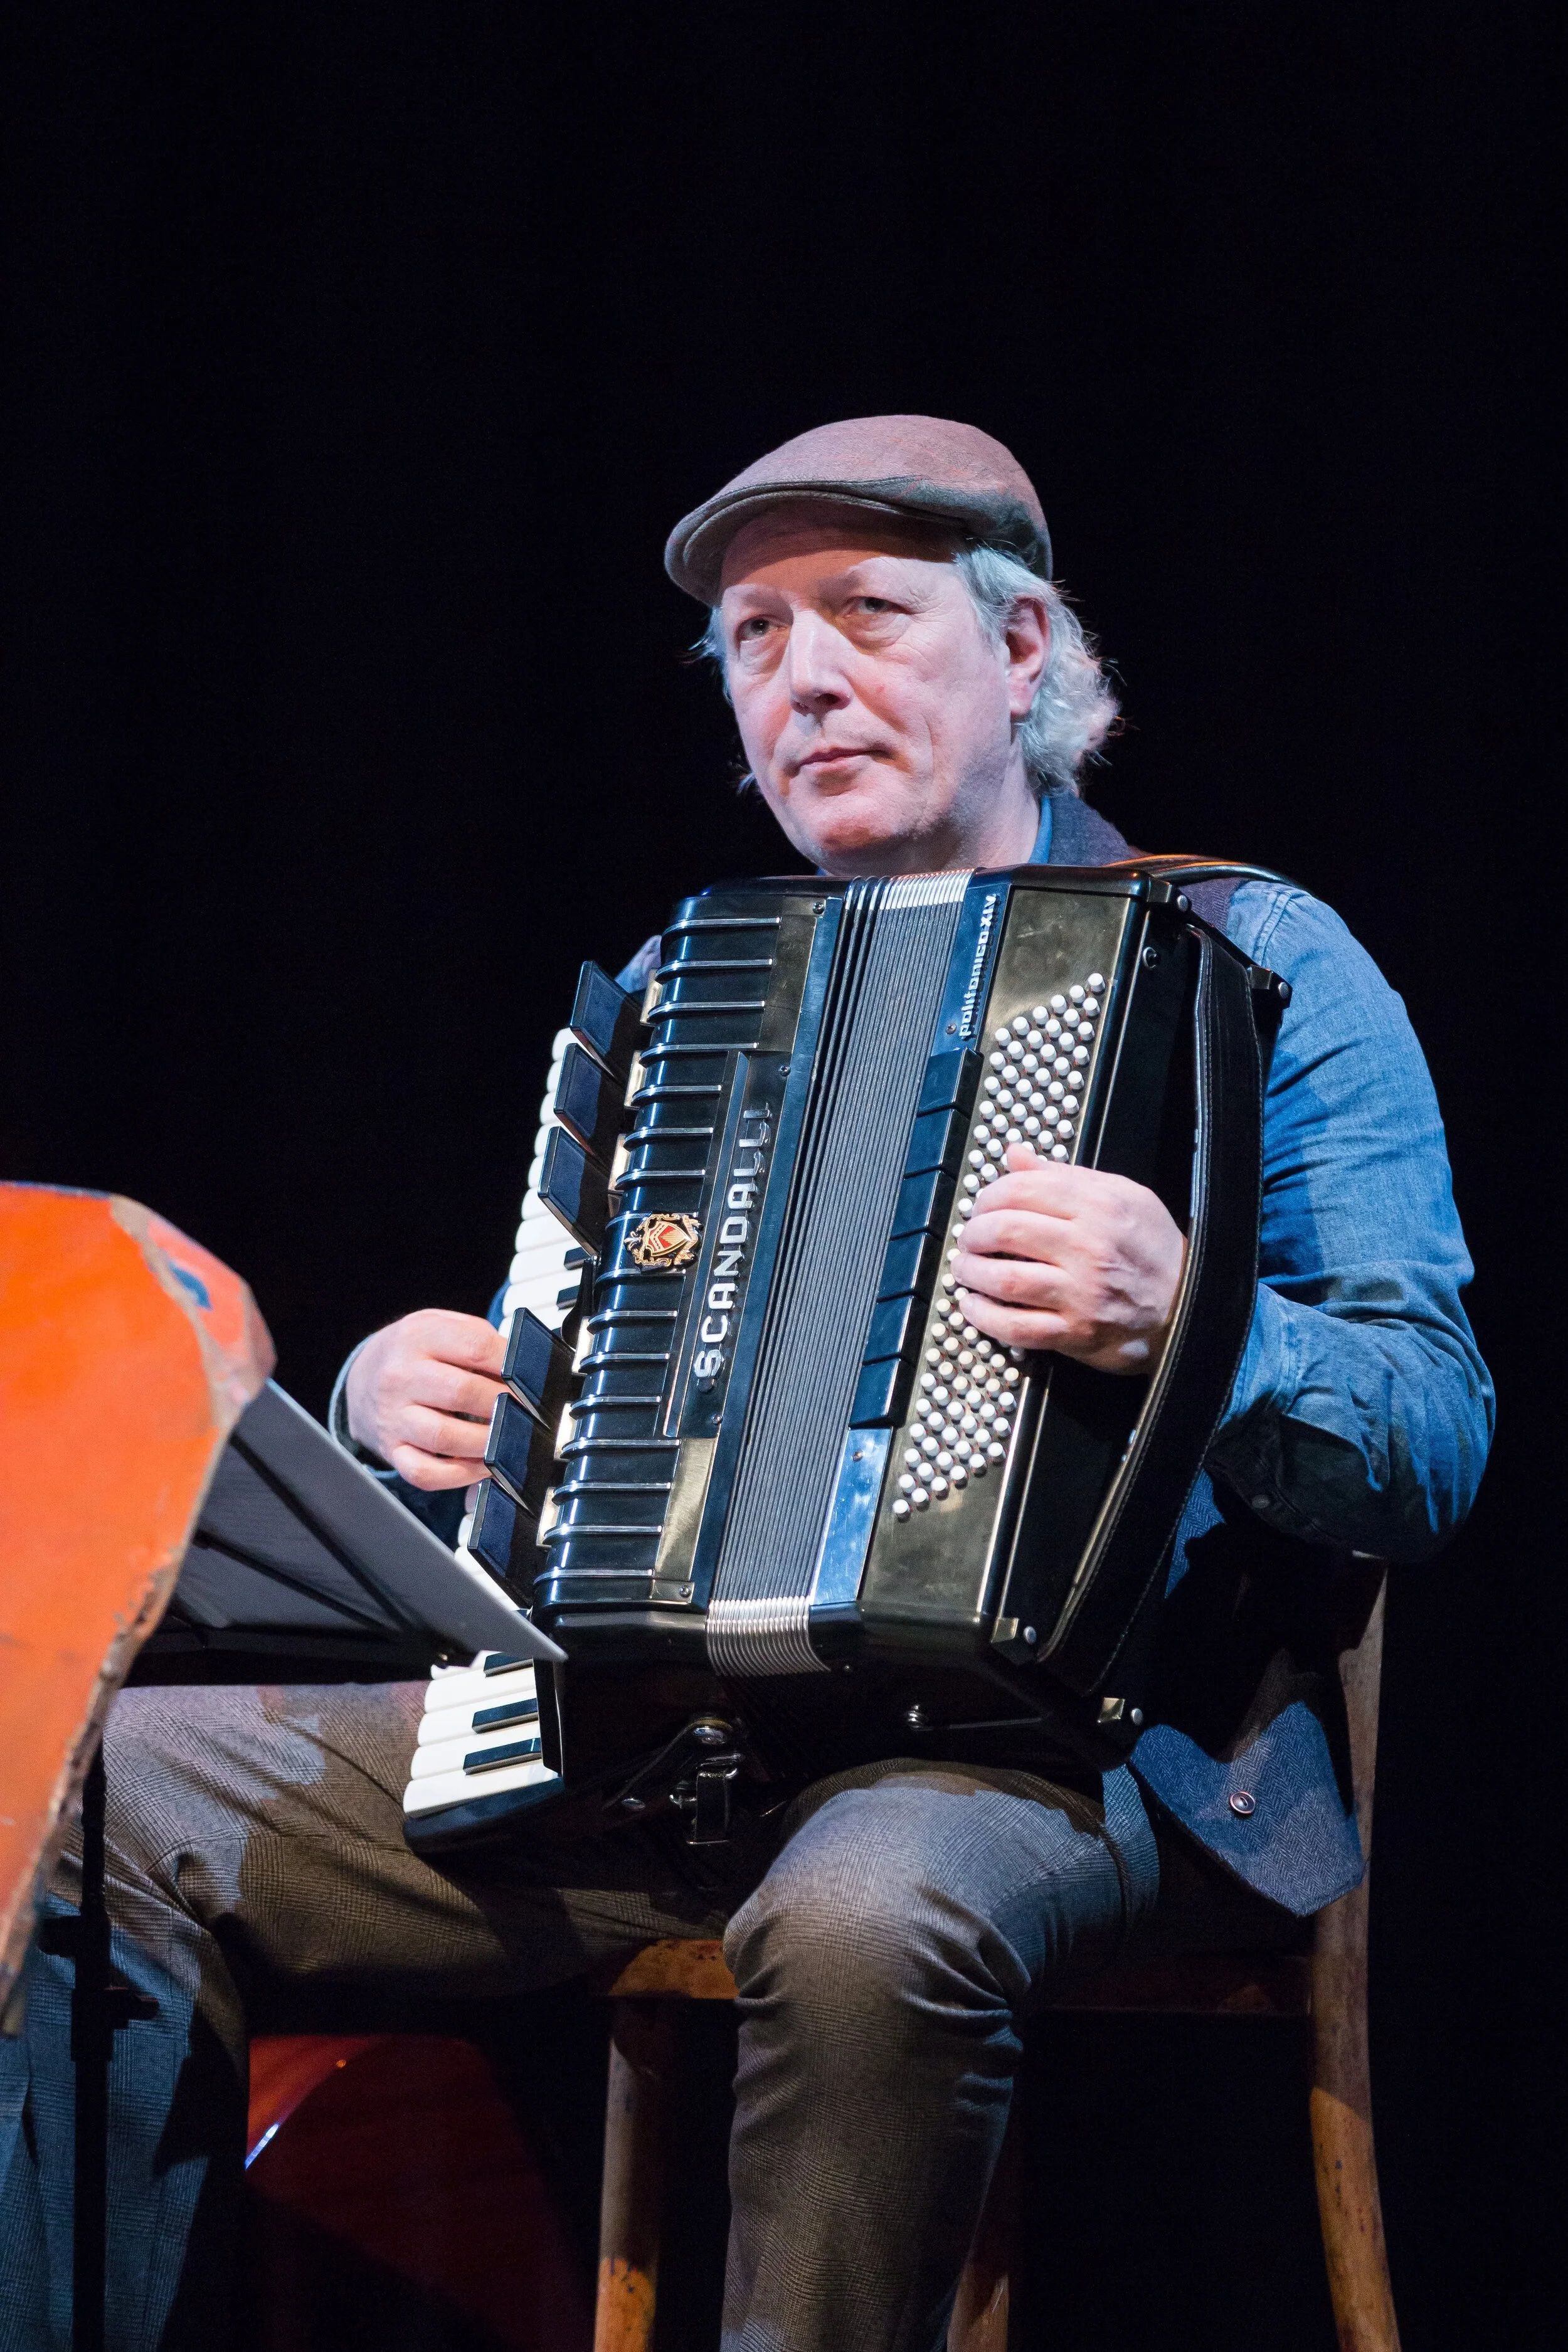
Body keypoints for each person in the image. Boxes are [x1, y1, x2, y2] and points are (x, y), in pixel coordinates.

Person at [0, 416, 1493, 2352]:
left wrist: (1196, 1321)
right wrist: (435, 1414)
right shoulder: (703, 982)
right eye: (756, 638)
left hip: (1079, 1751)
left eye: (866, 613)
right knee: (87, 1788)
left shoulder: (1255, 957)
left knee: (865, 1918)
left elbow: (1428, 1426)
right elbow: (609, 1420)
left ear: (1024, 646)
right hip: (663, 1744)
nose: (804, 677)